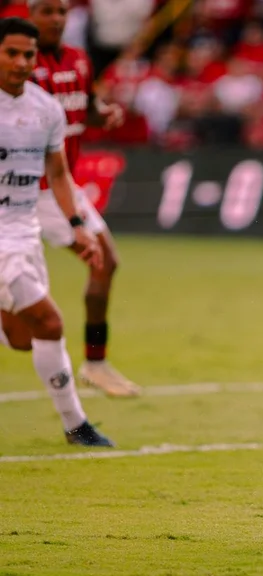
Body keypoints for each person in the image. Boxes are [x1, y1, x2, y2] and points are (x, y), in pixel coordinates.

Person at [2, 0, 140, 397]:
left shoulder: (78, 60)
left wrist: (104, 113)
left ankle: (95, 363)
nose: (56, 19)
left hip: (62, 186)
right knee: (22, 337)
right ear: (30, 16)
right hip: (27, 191)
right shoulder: (21, 68)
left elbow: (85, 107)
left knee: (106, 261)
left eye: (62, 11)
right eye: (46, 11)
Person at [0, 16, 113, 446]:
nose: (22, 62)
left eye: (28, 54)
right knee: (49, 322)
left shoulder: (45, 108)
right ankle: (76, 425)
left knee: (21, 338)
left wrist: (78, 226)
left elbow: (60, 174)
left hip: (24, 232)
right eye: (12, 52)